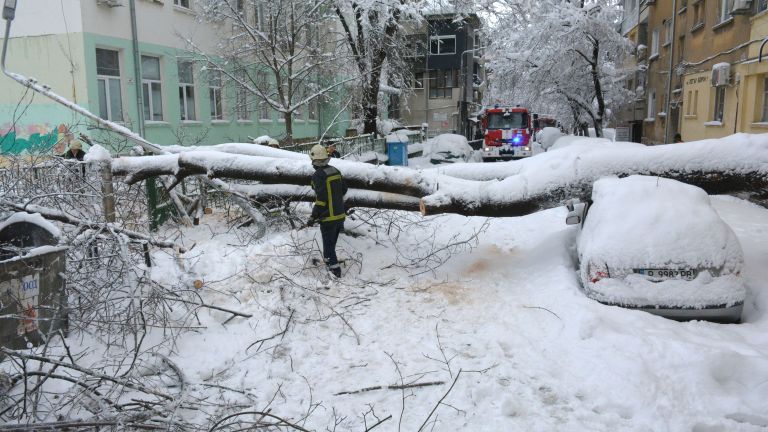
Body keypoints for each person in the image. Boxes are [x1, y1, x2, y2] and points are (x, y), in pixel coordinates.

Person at [309, 144, 348, 278]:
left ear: (314, 161)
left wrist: (313, 216)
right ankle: (330, 264)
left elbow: (321, 199)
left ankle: (335, 271)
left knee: (329, 246)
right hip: (340, 216)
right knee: (331, 244)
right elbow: (344, 190)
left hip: (328, 218)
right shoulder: (335, 170)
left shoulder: (318, 175)